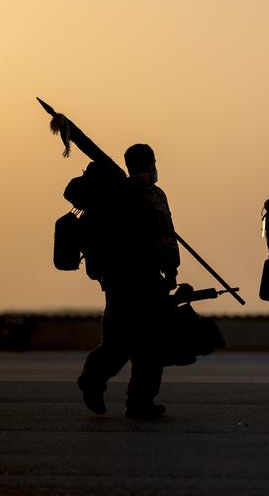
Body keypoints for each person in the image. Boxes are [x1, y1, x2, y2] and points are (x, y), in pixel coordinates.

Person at [76, 143, 180, 420]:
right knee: (150, 342)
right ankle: (138, 400)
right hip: (144, 277)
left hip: (114, 277)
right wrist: (171, 271)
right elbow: (165, 235)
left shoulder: (111, 193)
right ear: (150, 164)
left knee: (118, 339)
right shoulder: (152, 194)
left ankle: (96, 378)